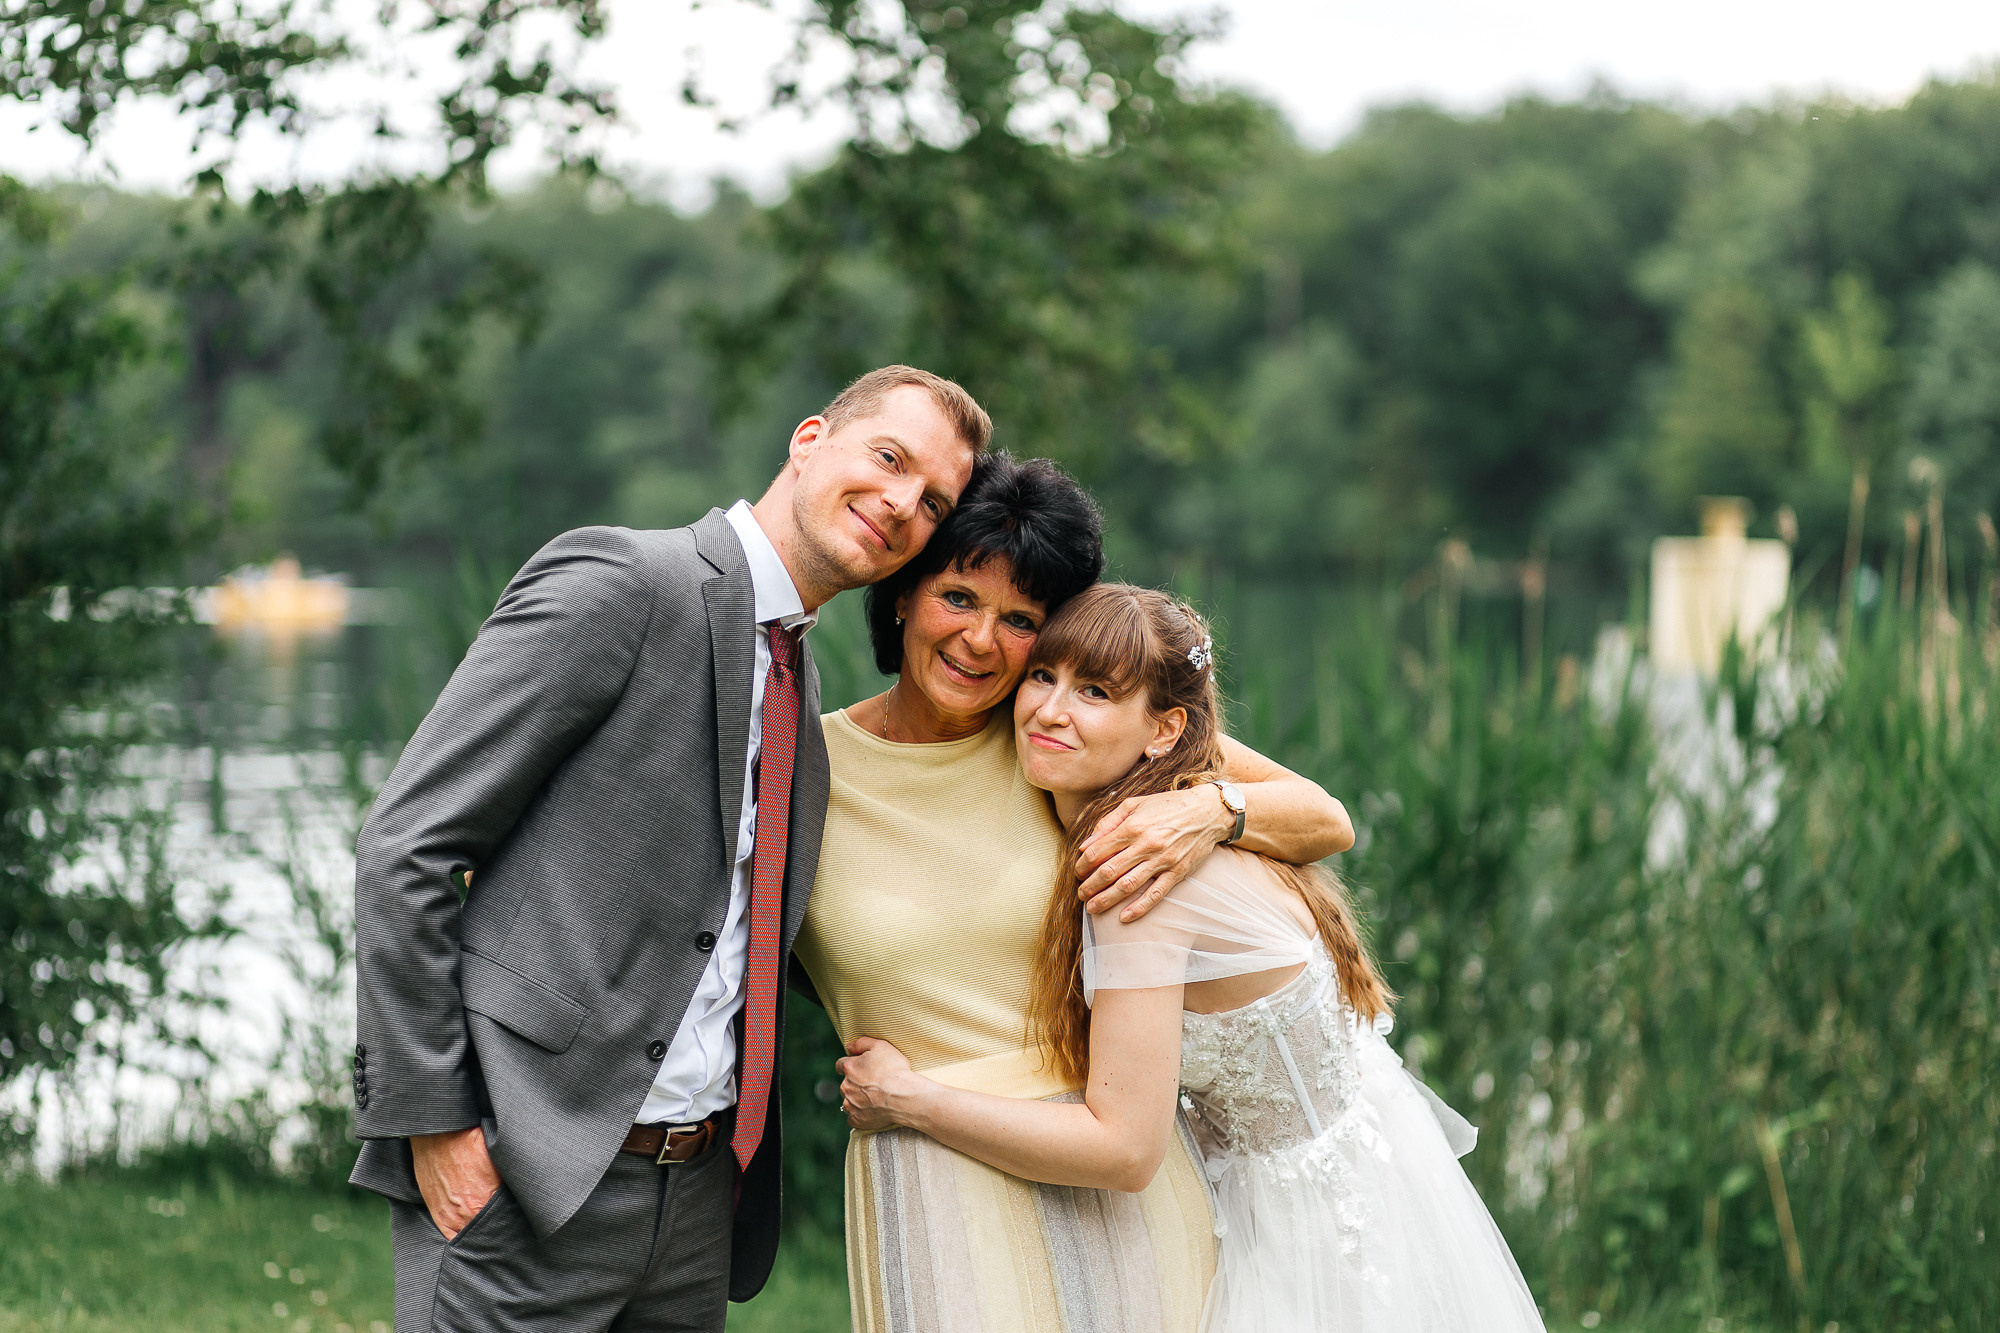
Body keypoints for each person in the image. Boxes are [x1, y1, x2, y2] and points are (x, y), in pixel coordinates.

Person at [348, 365, 986, 1333]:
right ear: (810, 439)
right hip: (527, 1171)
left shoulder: (797, 678)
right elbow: (409, 846)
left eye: (932, 500)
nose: (901, 503)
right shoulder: (624, 584)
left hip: (693, 1200)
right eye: (888, 459)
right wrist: (432, 1119)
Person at [835, 584, 1548, 1333]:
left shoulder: (1141, 874)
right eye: (1043, 676)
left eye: (1095, 691)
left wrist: (909, 1100)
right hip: (1359, 1191)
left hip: (1303, 1245)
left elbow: (1123, 1148)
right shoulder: (1181, 796)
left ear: (1162, 728)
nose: (1049, 709)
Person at [792, 462, 1357, 1332]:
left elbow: (1323, 817)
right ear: (902, 593)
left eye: (1019, 620)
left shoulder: (1057, 738)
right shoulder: (803, 766)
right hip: (933, 1172)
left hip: (1117, 1181)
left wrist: (1206, 810)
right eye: (957, 599)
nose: (982, 641)